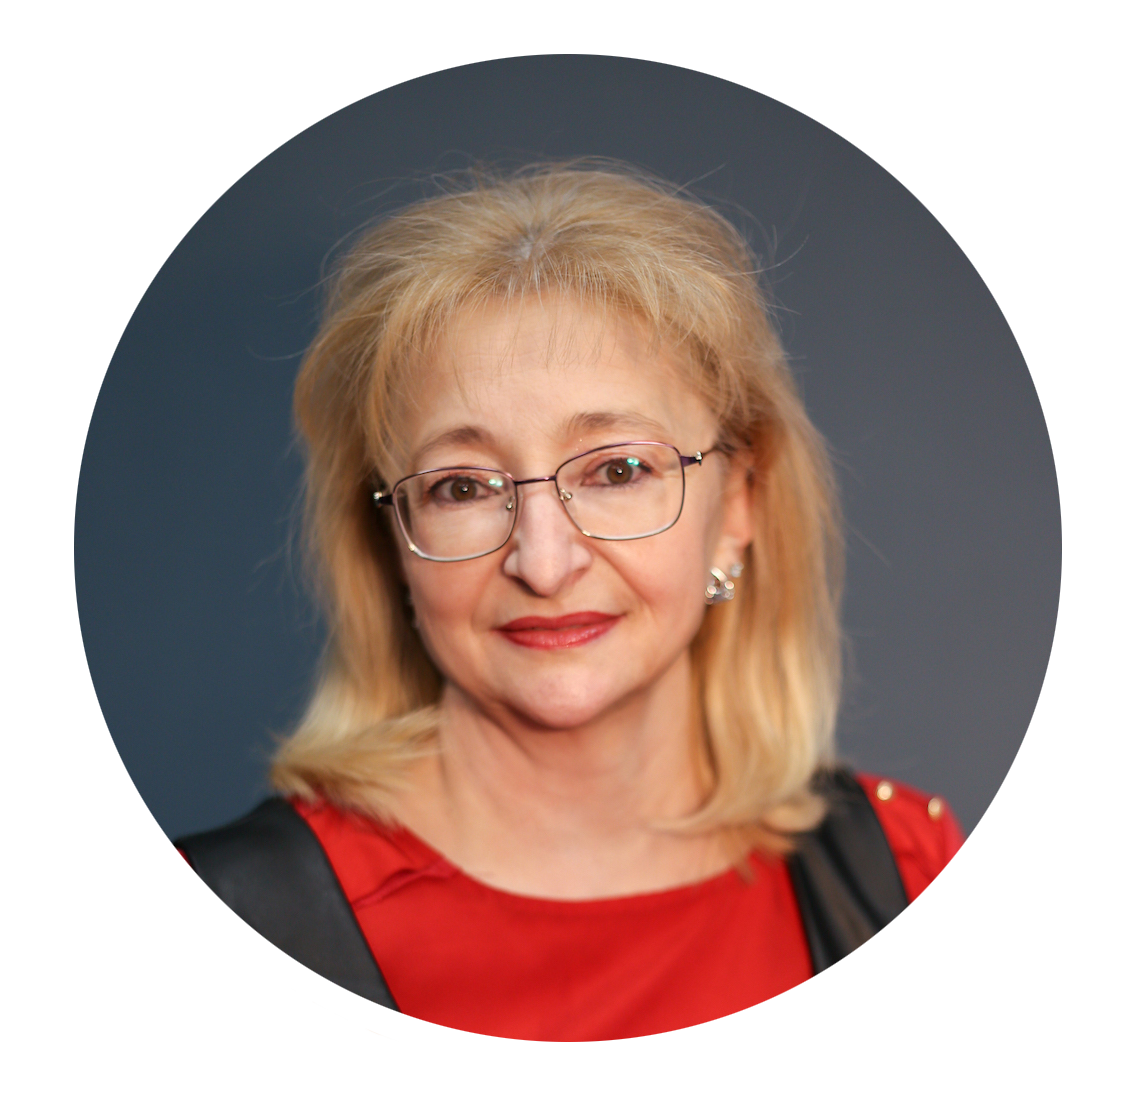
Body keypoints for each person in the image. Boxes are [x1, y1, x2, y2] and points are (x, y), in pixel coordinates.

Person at [74, 163, 991, 1041]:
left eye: (618, 470)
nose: (544, 564)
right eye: (462, 488)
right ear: (392, 539)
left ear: (740, 504)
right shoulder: (204, 944)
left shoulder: (907, 878)